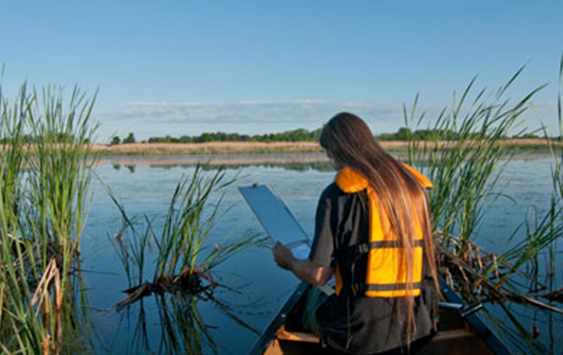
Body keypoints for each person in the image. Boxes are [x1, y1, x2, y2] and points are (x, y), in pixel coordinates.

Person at [272, 112, 439, 354]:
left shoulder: (337, 195)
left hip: (360, 332)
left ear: (338, 152)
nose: (333, 163)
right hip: (419, 324)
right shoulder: (415, 188)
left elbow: (318, 275)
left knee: (309, 301)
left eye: (331, 156)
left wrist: (289, 262)